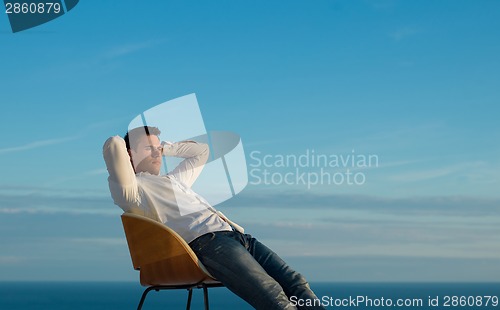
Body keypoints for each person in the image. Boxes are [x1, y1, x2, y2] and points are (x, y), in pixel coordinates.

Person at [103, 126, 325, 310]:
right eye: (149, 149)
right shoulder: (132, 190)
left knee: (297, 284)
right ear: (129, 153)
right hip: (207, 244)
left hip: (238, 237)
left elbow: (201, 151)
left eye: (158, 148)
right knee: (274, 296)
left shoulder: (175, 180)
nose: (157, 153)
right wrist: (133, 142)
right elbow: (113, 144)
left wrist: (166, 147)